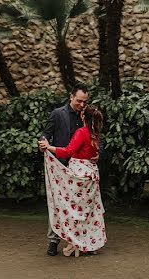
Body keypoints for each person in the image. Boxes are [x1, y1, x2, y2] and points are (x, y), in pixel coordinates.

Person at [39, 104, 106, 257]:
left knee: (71, 208)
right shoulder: (95, 133)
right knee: (88, 212)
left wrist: (49, 147)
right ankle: (89, 244)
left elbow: (68, 150)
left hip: (78, 173)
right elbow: (94, 151)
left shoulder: (82, 132)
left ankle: (74, 241)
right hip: (91, 174)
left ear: (83, 117)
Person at [39, 83, 88, 256]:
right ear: (71, 97)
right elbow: (46, 133)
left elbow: (96, 137)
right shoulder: (57, 114)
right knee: (57, 204)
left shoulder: (86, 116)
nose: (82, 105)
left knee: (80, 207)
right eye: (79, 101)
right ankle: (53, 241)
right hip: (60, 166)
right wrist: (43, 143)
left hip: (81, 169)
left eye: (84, 102)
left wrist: (98, 154)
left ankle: (81, 243)